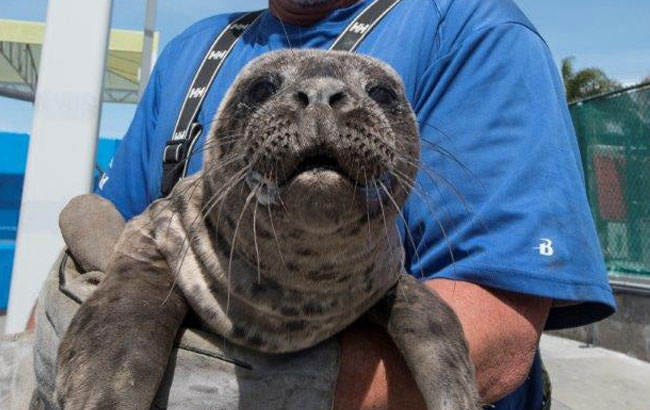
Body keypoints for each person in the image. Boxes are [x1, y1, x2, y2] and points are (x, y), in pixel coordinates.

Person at [96, 0, 616, 408]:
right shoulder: (192, 54)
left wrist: (220, 389)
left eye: (382, 99)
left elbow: (495, 344)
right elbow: (101, 248)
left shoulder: (473, 33)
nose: (318, 99)